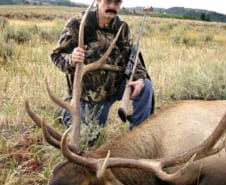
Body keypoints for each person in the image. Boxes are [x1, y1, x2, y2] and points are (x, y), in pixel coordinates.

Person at [51, 0, 154, 144]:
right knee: (88, 139)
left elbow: (132, 59)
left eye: (117, 2)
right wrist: (71, 59)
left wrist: (140, 78)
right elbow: (56, 56)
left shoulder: (122, 28)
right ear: (98, 1)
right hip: (86, 97)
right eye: (108, 1)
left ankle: (138, 140)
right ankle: (65, 113)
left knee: (146, 86)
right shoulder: (78, 24)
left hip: (113, 90)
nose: (112, 6)